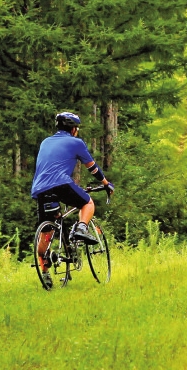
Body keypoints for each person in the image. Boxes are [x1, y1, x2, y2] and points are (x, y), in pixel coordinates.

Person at [31, 111, 114, 288]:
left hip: (39, 189)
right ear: (74, 129)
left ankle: (45, 273)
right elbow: (93, 168)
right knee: (87, 202)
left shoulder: (45, 141)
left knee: (47, 230)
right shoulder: (76, 142)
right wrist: (106, 183)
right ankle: (82, 228)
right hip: (61, 183)